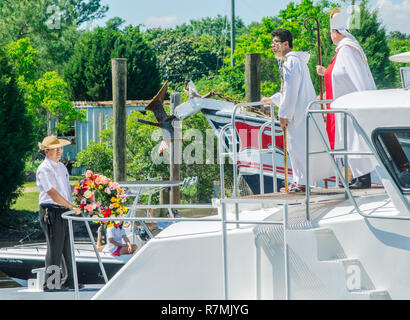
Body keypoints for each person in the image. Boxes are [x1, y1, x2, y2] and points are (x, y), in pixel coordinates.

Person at [261, 28, 334, 192]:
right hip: (302, 109)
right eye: (272, 43)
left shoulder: (291, 62)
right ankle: (300, 180)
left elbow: (291, 90)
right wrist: (273, 99)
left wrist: (284, 114)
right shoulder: (296, 62)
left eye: (276, 43)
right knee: (299, 147)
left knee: (296, 147)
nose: (273, 46)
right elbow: (290, 90)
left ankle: (300, 182)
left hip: (297, 113)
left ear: (286, 44)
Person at [316, 8, 377, 189]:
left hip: (352, 104)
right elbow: (339, 75)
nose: (329, 36)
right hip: (346, 104)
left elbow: (354, 76)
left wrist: (363, 102)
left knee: (355, 141)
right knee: (350, 140)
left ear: (336, 32)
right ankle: (358, 176)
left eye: (330, 32)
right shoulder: (344, 50)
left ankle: (363, 177)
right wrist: (324, 72)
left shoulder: (347, 50)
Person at [36, 135, 83, 291]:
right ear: (46, 152)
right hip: (51, 211)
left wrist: (80, 189)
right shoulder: (44, 168)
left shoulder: (61, 167)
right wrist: (71, 206)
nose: (59, 152)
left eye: (60, 148)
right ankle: (51, 284)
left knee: (67, 247)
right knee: (55, 248)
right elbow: (52, 192)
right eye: (55, 149)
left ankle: (70, 280)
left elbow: (64, 189)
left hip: (63, 210)